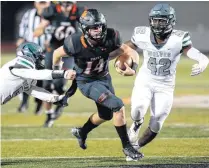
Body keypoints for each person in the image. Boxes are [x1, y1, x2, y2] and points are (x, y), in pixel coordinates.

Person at [113, 3, 209, 161]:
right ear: (150, 21)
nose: (158, 25)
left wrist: (202, 60)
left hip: (165, 85)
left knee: (157, 122)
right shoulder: (142, 34)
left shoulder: (179, 38)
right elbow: (126, 48)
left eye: (162, 21)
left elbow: (192, 52)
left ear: (171, 22)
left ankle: (136, 147)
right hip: (145, 79)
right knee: (137, 110)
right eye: (156, 21)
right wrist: (121, 62)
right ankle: (136, 124)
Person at [52, 9, 143, 161]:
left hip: (104, 78)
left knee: (105, 115)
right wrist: (57, 73)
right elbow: (56, 53)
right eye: (94, 27)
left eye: (100, 26)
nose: (98, 30)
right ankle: (127, 147)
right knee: (117, 105)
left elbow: (129, 50)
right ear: (85, 29)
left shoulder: (111, 36)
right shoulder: (75, 43)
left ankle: (82, 132)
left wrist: (132, 69)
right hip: (87, 82)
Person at [34, 1, 86, 127]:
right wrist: (42, 29)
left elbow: (87, 28)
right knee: (46, 84)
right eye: (63, 4)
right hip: (52, 50)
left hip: (68, 52)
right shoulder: (52, 10)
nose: (65, 7)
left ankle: (61, 98)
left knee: (58, 83)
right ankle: (49, 114)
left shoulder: (80, 12)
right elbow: (38, 31)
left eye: (68, 4)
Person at [0, 42, 76, 105]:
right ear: (30, 55)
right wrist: (64, 74)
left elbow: (33, 90)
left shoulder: (26, 74)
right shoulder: (22, 62)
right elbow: (39, 74)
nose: (40, 61)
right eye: (39, 57)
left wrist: (55, 98)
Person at [16, 1, 51, 114]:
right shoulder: (29, 14)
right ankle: (24, 102)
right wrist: (21, 39)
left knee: (41, 80)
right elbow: (23, 29)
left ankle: (39, 104)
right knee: (26, 77)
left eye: (44, 3)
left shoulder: (53, 15)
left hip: (46, 52)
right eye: (40, 2)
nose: (42, 5)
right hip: (30, 52)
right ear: (35, 4)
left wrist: (51, 42)